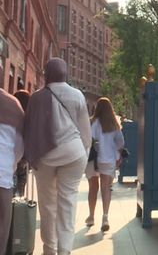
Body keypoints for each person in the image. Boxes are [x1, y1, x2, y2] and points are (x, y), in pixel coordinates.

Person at [23, 58, 91, 255]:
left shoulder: (36, 97)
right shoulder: (77, 95)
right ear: (65, 73)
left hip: (44, 155)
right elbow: (86, 133)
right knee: (68, 202)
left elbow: (30, 128)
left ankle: (49, 250)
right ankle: (65, 250)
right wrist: (83, 154)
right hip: (73, 153)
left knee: (48, 205)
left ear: (47, 73)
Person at [85, 97, 125, 232]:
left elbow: (87, 140)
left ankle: (91, 216)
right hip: (109, 158)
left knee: (93, 187)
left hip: (92, 159)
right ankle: (105, 217)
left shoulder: (91, 122)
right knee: (106, 187)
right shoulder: (114, 124)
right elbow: (120, 143)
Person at [0, 88, 25, 252]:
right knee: (2, 229)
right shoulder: (14, 105)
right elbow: (19, 147)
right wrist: (12, 166)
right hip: (3, 174)